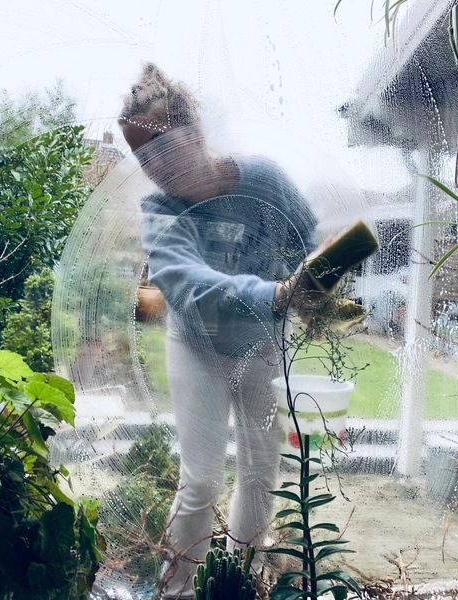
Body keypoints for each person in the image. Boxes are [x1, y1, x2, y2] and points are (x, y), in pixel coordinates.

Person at [119, 63, 320, 599]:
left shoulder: (265, 181)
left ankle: (236, 584)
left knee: (260, 473)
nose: (156, 167)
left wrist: (319, 285)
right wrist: (278, 294)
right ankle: (178, 589)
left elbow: (308, 237)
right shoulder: (160, 212)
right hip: (197, 346)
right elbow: (187, 284)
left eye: (164, 146)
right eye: (144, 158)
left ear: (196, 132)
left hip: (262, 345)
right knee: (202, 477)